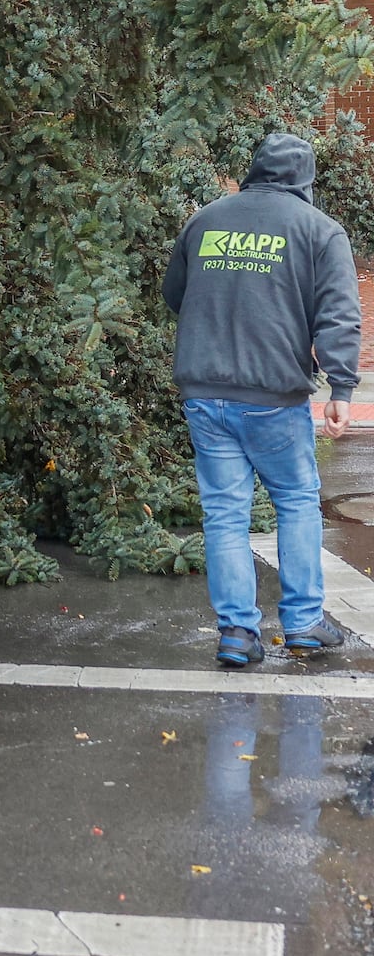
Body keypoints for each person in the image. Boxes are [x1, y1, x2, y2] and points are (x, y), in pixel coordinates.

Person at [163, 131, 359, 669]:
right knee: (295, 501)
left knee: (224, 514)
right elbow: (338, 315)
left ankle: (236, 634)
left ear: (255, 169)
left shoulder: (205, 219)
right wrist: (341, 387)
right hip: (274, 395)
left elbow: (175, 295)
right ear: (305, 179)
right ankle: (302, 624)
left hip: (205, 392)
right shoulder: (319, 231)